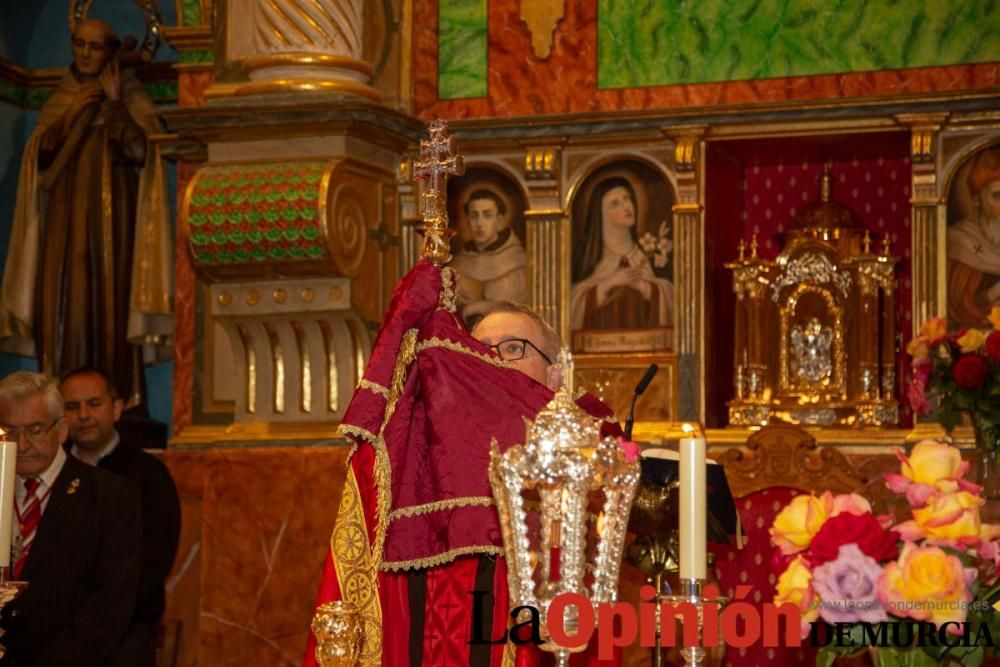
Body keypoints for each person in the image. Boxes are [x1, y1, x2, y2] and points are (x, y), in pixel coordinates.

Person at [304, 262, 623, 667]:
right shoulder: (416, 452)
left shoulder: (587, 445)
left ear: (555, 377)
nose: (489, 363)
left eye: (512, 349)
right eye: (477, 352)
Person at [0, 18, 172, 408]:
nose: (85, 53)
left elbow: (145, 152)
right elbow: (40, 158)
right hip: (63, 227)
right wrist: (70, 117)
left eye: (95, 47)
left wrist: (113, 106)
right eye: (79, 44)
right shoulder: (65, 96)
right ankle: (62, 395)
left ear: (110, 52)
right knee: (66, 306)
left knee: (108, 302)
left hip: (116, 231)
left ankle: (116, 396)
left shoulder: (127, 96)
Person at [0, 371, 141, 666]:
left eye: (35, 429)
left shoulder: (109, 496)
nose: (21, 444)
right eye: (9, 432)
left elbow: (109, 605)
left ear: (62, 430)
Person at [59, 367, 181, 667]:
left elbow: (153, 564)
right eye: (72, 407)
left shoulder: (148, 474)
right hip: (58, 628)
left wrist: (96, 620)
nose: (84, 415)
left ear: (117, 408)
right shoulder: (53, 470)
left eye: (94, 403)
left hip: (125, 632)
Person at [570, 177, 673, 331]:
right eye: (615, 203)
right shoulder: (587, 258)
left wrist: (645, 287)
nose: (626, 206)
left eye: (627, 199)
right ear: (602, 214)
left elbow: (677, 298)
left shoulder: (653, 254)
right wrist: (607, 284)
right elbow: (569, 304)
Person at [450, 189, 528, 319]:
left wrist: (477, 307)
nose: (479, 224)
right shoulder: (458, 263)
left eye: (487, 215)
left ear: (500, 220)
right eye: (474, 216)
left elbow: (517, 308)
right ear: (468, 220)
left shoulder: (516, 261)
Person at [948, 146, 1000, 328]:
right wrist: (994, 293)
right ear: (977, 200)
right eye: (998, 196)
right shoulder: (962, 240)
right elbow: (959, 305)